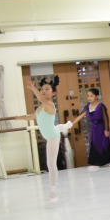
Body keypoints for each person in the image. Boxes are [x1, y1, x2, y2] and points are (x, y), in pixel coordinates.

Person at [25, 76, 73, 204]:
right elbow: (31, 116)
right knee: (56, 127)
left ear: (53, 93)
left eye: (47, 89)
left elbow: (41, 99)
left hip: (53, 136)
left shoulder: (49, 104)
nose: (43, 91)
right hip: (51, 132)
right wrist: (15, 118)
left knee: (51, 164)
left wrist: (33, 88)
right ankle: (65, 126)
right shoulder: (40, 108)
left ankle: (53, 190)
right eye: (42, 89)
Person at [69, 88, 110, 170]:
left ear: (96, 96)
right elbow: (80, 116)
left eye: (91, 96)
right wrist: (71, 124)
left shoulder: (101, 106)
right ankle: (97, 162)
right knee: (94, 144)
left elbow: (106, 118)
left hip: (101, 128)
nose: (89, 98)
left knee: (104, 144)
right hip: (94, 129)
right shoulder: (87, 107)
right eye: (88, 96)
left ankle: (109, 160)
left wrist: (106, 129)